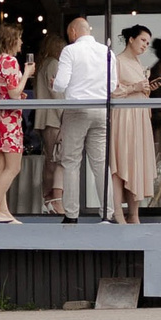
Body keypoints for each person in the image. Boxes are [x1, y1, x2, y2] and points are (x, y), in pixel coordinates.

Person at [53, 16, 112, 221]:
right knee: (101, 163)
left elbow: (60, 85)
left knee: (71, 161)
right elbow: (112, 85)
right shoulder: (107, 52)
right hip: (101, 109)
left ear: (73, 32)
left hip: (77, 109)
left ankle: (71, 214)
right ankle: (107, 214)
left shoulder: (70, 51)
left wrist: (56, 84)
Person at [0, 24, 34, 221]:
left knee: (1, 167)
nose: (21, 42)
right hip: (10, 119)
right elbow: (13, 93)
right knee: (13, 167)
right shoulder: (10, 62)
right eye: (19, 38)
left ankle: (3, 211)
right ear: (11, 40)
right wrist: (26, 75)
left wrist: (3, 94)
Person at [105, 24, 157, 224]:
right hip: (124, 117)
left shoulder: (138, 63)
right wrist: (134, 87)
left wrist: (145, 87)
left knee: (136, 162)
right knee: (121, 161)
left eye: (148, 43)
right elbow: (110, 91)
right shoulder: (117, 61)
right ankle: (118, 212)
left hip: (140, 117)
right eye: (143, 40)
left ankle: (134, 213)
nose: (145, 45)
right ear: (131, 39)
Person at [35, 34, 67, 216]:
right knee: (55, 160)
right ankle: (54, 200)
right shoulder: (54, 64)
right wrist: (65, 118)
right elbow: (57, 96)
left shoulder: (43, 64)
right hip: (54, 118)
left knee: (50, 158)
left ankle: (48, 199)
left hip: (45, 118)